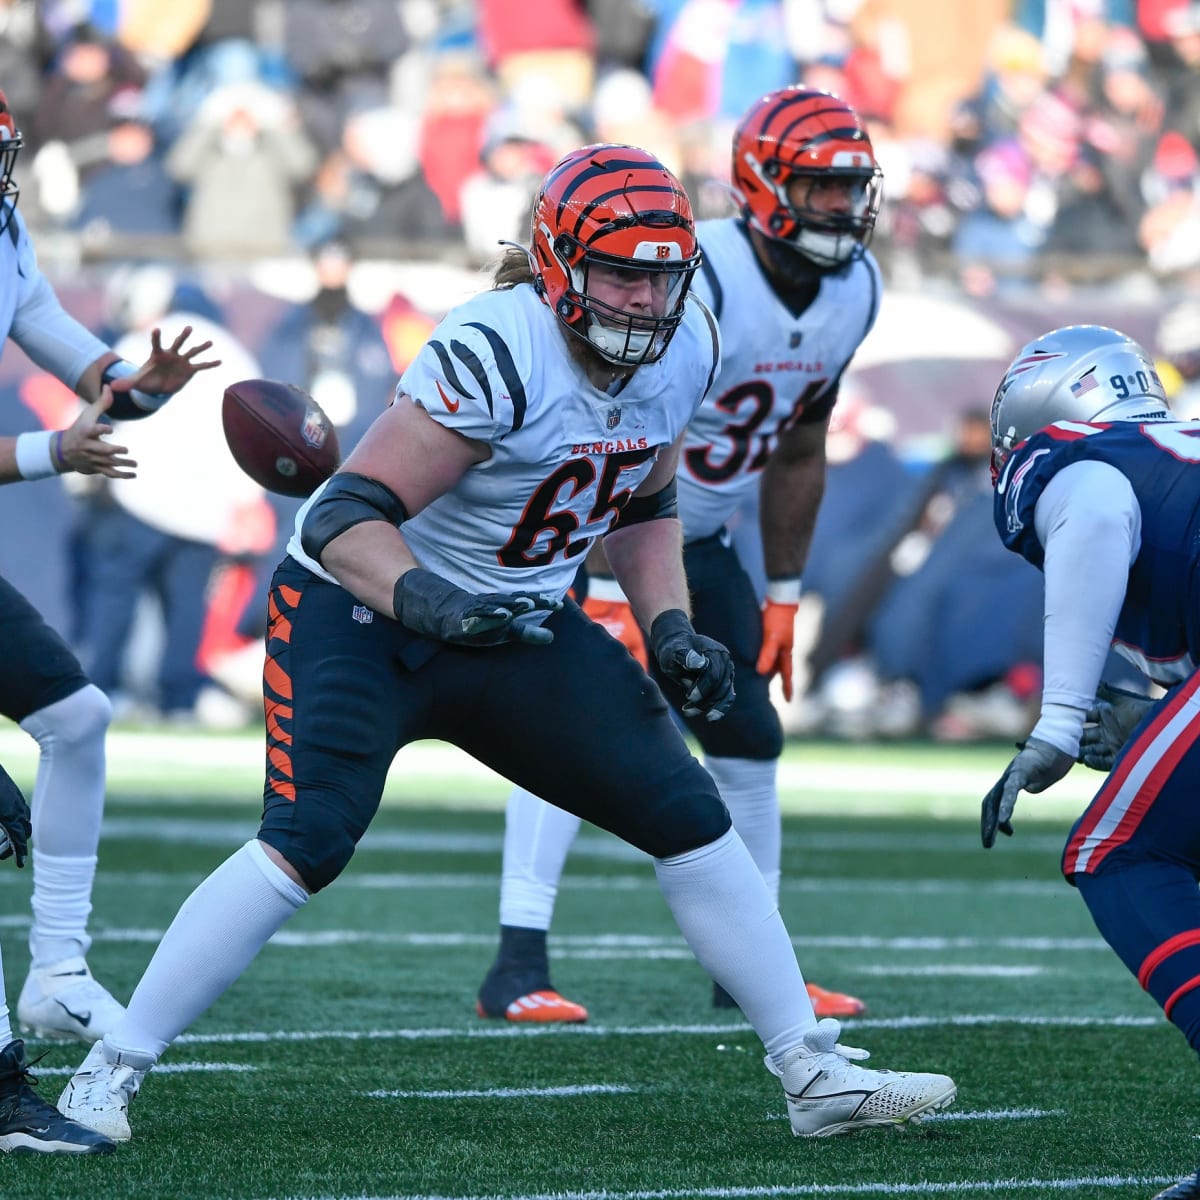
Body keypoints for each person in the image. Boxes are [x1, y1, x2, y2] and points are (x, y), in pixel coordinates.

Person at [56, 142, 956, 1144]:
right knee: (308, 840)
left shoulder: (687, 342)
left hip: (519, 618)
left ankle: (809, 1072)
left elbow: (645, 495)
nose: (644, 302)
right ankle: (114, 1064)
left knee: (687, 812)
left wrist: (669, 626)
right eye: (621, 273)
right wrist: (430, 604)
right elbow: (339, 520)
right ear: (559, 262)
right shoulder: (497, 346)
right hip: (363, 617)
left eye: (662, 276)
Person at [476, 86, 882, 1025]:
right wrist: (610, 562)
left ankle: (753, 968)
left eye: (850, 186)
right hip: (599, 524)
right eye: (819, 186)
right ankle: (516, 962)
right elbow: (614, 415)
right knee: (565, 740)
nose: (839, 206)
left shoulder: (857, 289)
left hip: (698, 537)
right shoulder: (706, 282)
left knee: (749, 735)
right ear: (763, 185)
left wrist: (782, 592)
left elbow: (800, 442)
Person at [0, 87, 218, 1155]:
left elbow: (85, 367)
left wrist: (143, 389)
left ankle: (58, 970)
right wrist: (52, 452)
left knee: (78, 720)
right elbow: (60, 439)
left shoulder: (5, 234)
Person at [978, 323, 1200, 1200]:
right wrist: (1140, 728)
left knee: (1118, 853)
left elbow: (1098, 508)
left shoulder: (1081, 457)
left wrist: (1060, 724)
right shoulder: (1171, 453)